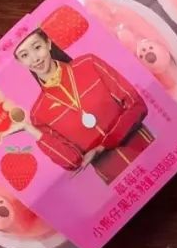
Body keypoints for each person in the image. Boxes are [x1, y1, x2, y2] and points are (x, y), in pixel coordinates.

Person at [13, 28, 153, 184]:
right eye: (24, 55)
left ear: (48, 43)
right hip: (119, 178)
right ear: (20, 63)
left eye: (37, 47)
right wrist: (30, 129)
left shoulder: (88, 63)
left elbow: (136, 105)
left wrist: (104, 145)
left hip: (149, 150)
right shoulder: (38, 114)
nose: (35, 59)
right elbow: (72, 161)